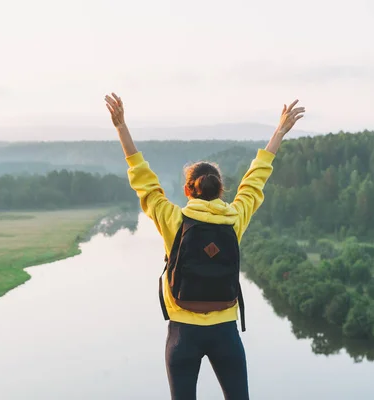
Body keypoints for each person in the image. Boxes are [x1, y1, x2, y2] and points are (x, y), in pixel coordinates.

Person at [105, 93, 305, 400]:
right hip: (225, 330)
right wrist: (279, 132)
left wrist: (121, 126)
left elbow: (143, 179)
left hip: (182, 333)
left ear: (187, 190)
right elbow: (255, 181)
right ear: (222, 190)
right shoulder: (235, 218)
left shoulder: (173, 220)